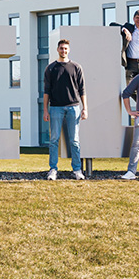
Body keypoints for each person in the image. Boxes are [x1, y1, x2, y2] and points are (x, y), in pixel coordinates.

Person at [42, 39, 88, 180]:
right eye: (61, 48)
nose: (63, 51)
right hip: (55, 107)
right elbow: (46, 91)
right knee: (54, 140)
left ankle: (77, 170)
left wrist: (85, 108)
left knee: (74, 140)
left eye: (66, 48)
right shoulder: (50, 68)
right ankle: (53, 169)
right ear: (57, 49)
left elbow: (82, 89)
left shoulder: (76, 67)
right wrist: (45, 109)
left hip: (73, 107)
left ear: (69, 50)